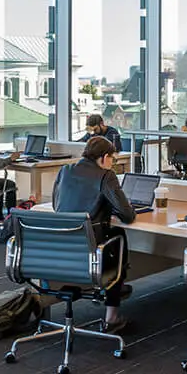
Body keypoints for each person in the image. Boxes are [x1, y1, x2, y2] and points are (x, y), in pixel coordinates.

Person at [51, 136, 135, 332]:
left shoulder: (65, 170)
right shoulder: (106, 176)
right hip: (90, 248)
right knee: (117, 236)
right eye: (113, 159)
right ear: (105, 157)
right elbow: (127, 215)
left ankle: (114, 287)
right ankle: (112, 314)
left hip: (62, 246)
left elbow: (57, 206)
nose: (112, 163)